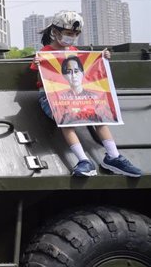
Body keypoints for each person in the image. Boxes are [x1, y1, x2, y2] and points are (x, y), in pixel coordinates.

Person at [31, 11, 141, 178]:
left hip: (76, 96)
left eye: (75, 34)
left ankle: (113, 156)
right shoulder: (45, 52)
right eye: (69, 33)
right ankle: (83, 160)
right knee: (66, 119)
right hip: (51, 96)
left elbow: (89, 70)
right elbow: (41, 80)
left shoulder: (74, 51)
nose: (72, 37)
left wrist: (101, 58)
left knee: (99, 115)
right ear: (56, 32)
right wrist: (40, 66)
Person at [49, 55, 117, 125]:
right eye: (69, 72)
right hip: (69, 122)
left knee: (101, 124)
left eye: (76, 71)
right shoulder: (61, 98)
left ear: (82, 73)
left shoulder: (94, 97)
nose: (73, 75)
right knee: (67, 126)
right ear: (64, 75)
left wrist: (104, 56)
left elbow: (105, 115)